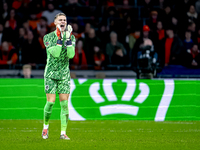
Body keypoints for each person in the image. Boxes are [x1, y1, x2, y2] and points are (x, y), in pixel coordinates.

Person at [42, 13, 76, 140]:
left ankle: (63, 133)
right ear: (55, 22)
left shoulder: (71, 37)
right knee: (50, 103)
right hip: (50, 74)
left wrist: (67, 39)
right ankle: (45, 128)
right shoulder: (48, 37)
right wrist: (60, 38)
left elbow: (71, 55)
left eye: (65, 20)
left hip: (64, 74)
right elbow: (56, 54)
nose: (63, 22)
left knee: (64, 104)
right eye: (60, 20)